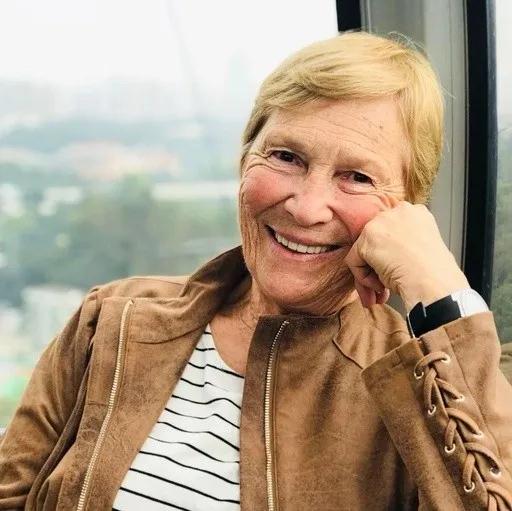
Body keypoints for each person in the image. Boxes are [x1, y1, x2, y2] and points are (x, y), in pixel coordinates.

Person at [1, 30, 511, 511]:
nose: (306, 208)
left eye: (356, 177)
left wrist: (439, 286)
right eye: (287, 157)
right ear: (246, 158)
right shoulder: (114, 319)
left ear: (407, 210)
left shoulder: (422, 392)